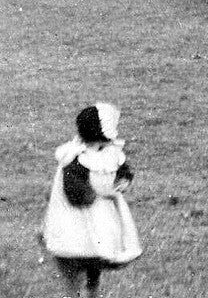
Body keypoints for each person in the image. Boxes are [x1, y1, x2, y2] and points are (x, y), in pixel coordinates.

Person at [42, 104, 141, 298]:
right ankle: (75, 291)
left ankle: (92, 289)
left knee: (98, 252)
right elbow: (71, 185)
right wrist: (90, 195)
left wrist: (124, 180)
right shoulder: (77, 157)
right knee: (78, 252)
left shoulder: (112, 152)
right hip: (78, 215)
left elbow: (122, 169)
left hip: (103, 214)